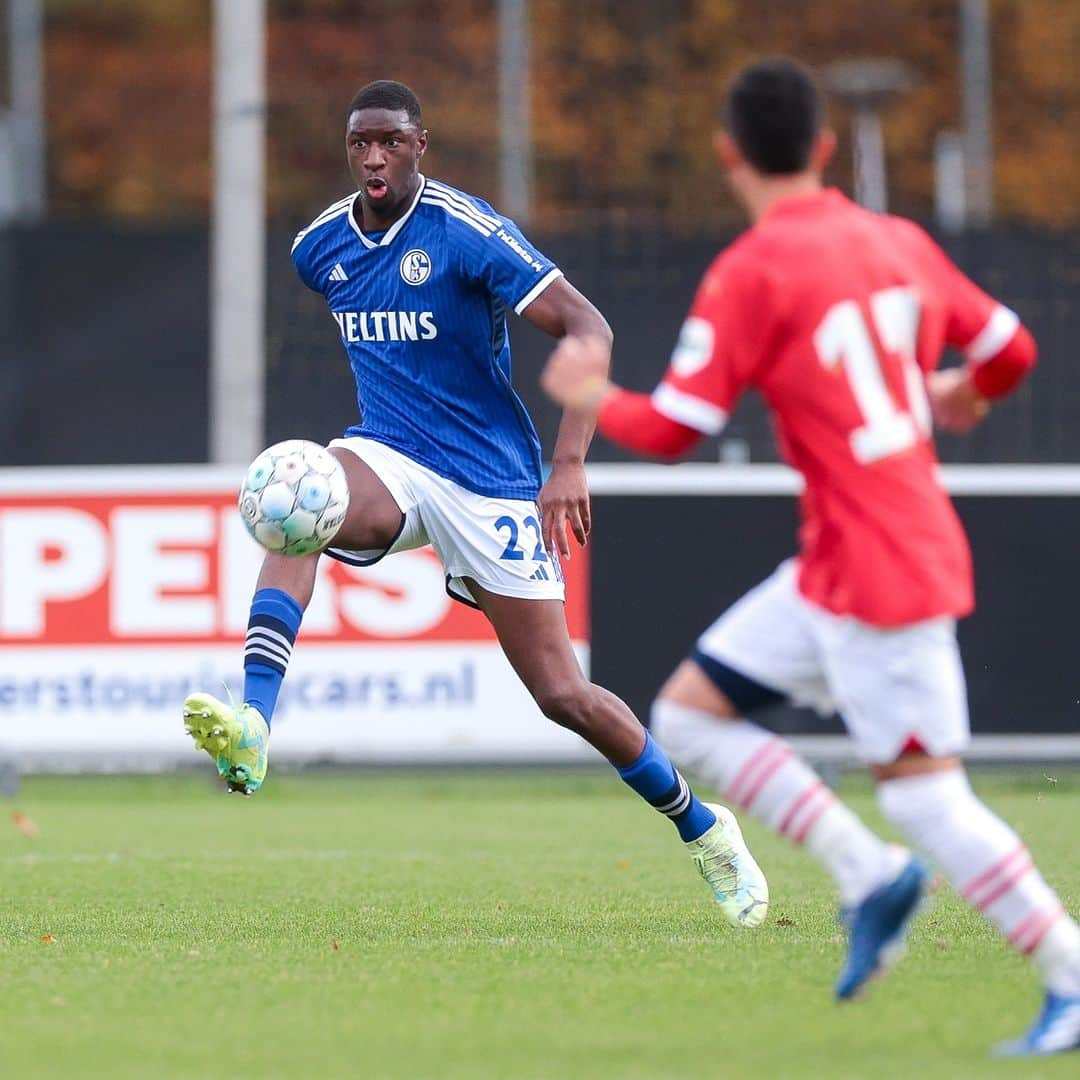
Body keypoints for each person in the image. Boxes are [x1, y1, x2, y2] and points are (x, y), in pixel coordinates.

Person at [541, 57, 1080, 1057]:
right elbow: (1013, 350)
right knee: (687, 717)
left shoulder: (755, 270)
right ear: (827, 148)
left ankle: (1070, 973)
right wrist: (967, 390)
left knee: (929, 798)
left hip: (879, 572)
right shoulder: (898, 242)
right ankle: (867, 875)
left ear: (728, 153)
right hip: (843, 562)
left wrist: (587, 392)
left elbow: (673, 428)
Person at [182, 79, 768, 928]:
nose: (374, 157)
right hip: (388, 456)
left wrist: (567, 464)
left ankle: (704, 828)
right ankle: (254, 722)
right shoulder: (320, 248)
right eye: (360, 144)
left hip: (488, 480)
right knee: (297, 505)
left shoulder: (464, 232)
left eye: (390, 140)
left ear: (421, 144)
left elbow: (589, 329)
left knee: (564, 696)